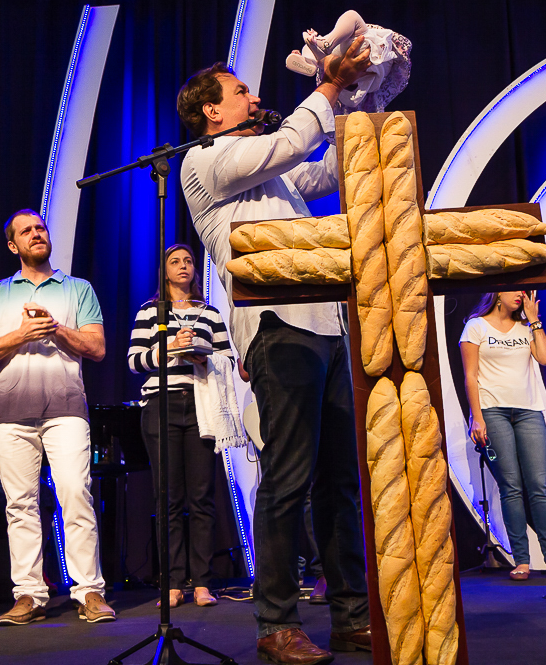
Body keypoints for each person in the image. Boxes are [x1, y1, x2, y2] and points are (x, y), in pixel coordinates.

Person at [177, 37, 373, 665]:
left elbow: (329, 166)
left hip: (328, 328)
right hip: (276, 331)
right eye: (240, 92)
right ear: (211, 112)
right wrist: (328, 86)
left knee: (341, 481)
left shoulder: (269, 169)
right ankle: (276, 625)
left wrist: (351, 105)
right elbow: (291, 143)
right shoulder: (205, 160)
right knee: (288, 478)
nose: (254, 97)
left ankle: (351, 616)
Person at [0, 209, 115, 625]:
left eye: (41, 228)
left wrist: (56, 330)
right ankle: (30, 595)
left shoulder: (77, 289)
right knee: (20, 505)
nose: (37, 234)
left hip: (66, 407)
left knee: (74, 492)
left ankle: (88, 590)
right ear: (13, 245)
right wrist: (21, 335)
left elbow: (98, 348)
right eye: (26, 231)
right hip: (10, 413)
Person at [127, 243, 234, 608]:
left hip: (201, 403)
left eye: (188, 260)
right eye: (175, 261)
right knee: (168, 497)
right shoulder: (149, 312)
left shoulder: (210, 312)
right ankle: (172, 582)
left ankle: (202, 582)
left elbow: (228, 359)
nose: (184, 266)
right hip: (162, 403)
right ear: (165, 270)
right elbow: (134, 361)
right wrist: (169, 348)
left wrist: (203, 358)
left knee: (202, 496)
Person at [460, 290, 546, 581]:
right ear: (498, 293)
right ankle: (521, 561)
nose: (521, 295)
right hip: (493, 412)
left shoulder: (526, 328)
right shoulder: (476, 326)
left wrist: (534, 321)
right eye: (515, 290)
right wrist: (476, 416)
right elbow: (470, 375)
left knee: (539, 485)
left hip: (529, 411)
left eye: (524, 291)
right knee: (511, 486)